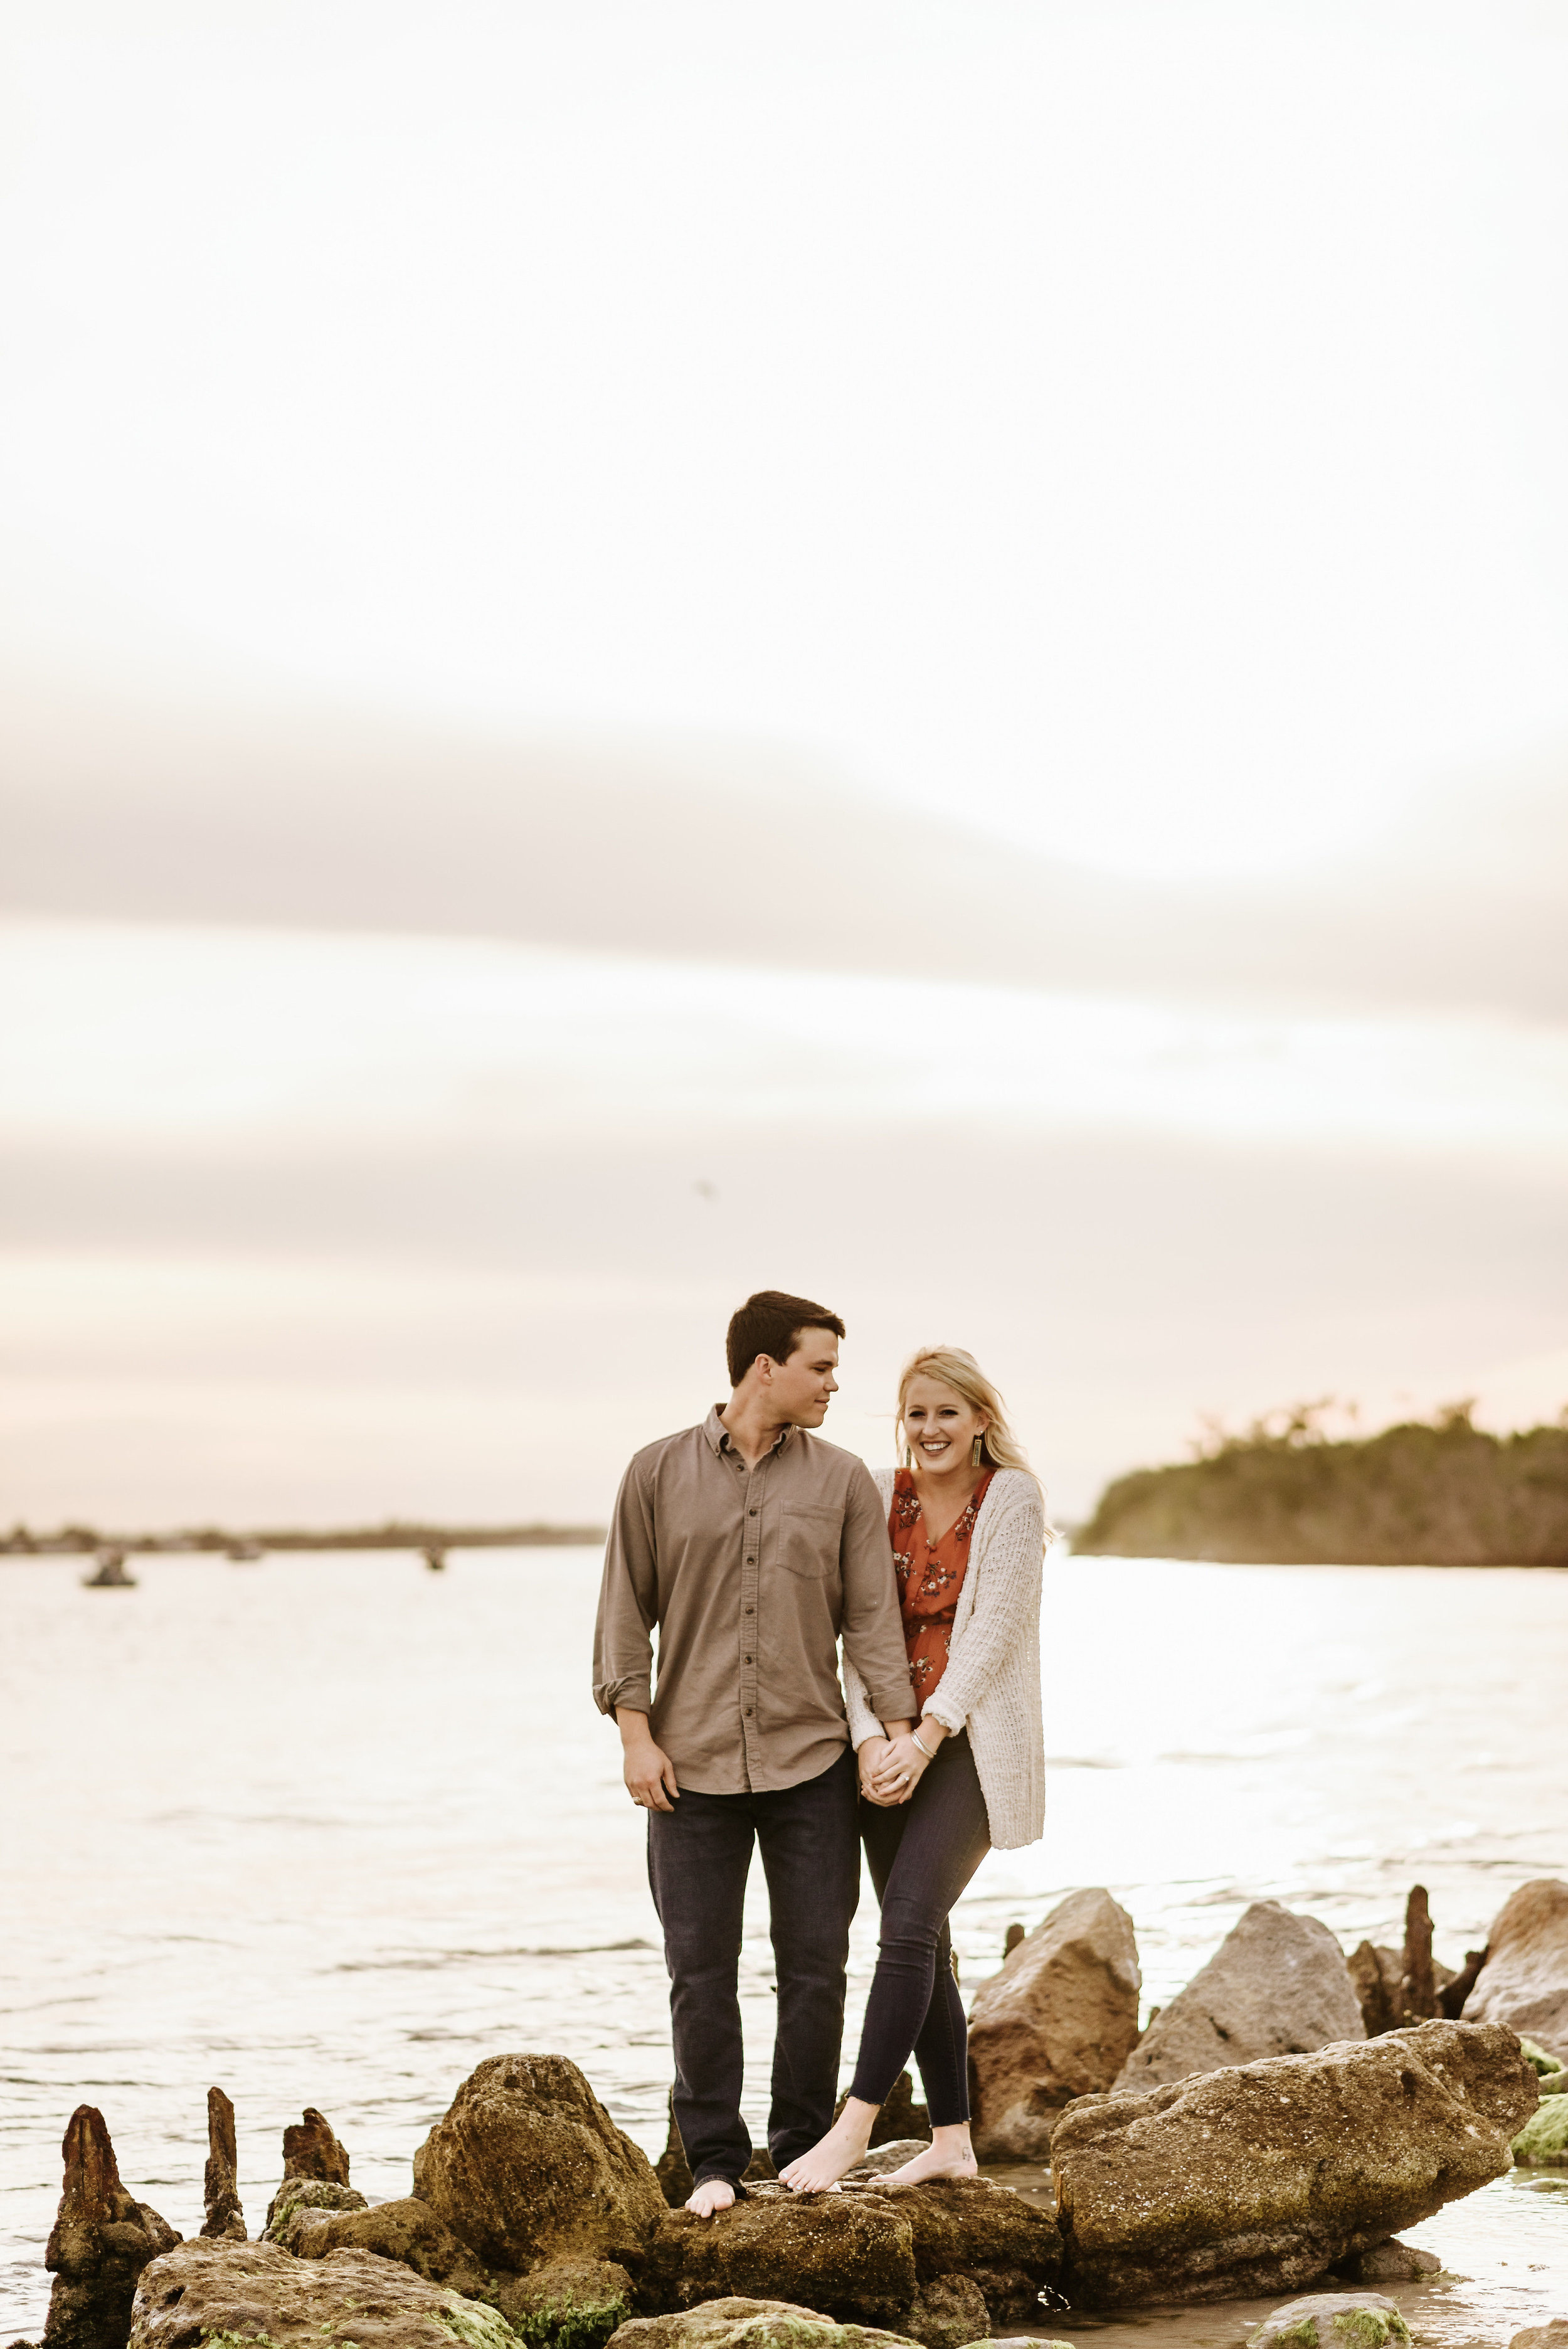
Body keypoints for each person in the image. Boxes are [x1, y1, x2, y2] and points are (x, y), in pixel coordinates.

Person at [592, 1290, 918, 2219]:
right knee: (700, 1968)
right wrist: (634, 1736)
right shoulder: (654, 1473)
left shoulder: (846, 1480)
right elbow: (624, 1615)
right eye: (820, 1366)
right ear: (763, 1367)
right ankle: (712, 2164)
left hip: (813, 1764)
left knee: (816, 1963)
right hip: (687, 1771)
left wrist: (896, 1738)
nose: (833, 1384)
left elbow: (871, 1624)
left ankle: (800, 2149)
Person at [780, 1345, 1049, 2193]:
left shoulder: (1011, 1497)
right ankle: (952, 2140)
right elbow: (857, 1632)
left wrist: (926, 1738)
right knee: (922, 1941)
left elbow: (989, 1637)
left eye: (947, 1412)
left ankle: (854, 2124)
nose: (931, 1429)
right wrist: (870, 1740)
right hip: (887, 1747)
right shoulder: (879, 1496)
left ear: (980, 1419)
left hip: (967, 1748)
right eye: (917, 1413)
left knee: (905, 1922)